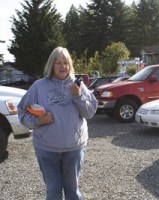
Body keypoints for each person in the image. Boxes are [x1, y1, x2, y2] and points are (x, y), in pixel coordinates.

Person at [18, 46, 98, 200]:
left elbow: (89, 112)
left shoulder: (78, 85)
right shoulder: (38, 86)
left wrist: (78, 96)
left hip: (74, 148)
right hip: (47, 149)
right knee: (53, 192)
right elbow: (22, 113)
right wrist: (38, 120)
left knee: (72, 192)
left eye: (66, 62)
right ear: (51, 65)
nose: (63, 66)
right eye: (58, 63)